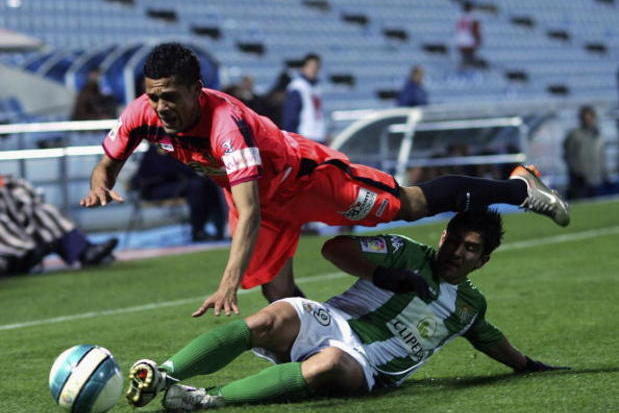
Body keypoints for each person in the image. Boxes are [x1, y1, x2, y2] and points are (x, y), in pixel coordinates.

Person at [80, 43, 569, 317]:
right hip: (259, 202)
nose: (161, 107)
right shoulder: (143, 113)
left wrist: (226, 285)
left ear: (196, 89)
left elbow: (248, 212)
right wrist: (102, 180)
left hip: (309, 181)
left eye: (171, 97)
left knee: (408, 205)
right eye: (154, 96)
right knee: (278, 293)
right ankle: (323, 357)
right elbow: (109, 157)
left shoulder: (228, 125)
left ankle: (521, 187)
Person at [124, 208, 570, 410]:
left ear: (483, 260)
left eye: (469, 249)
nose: (456, 251)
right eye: (453, 240)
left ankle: (207, 402)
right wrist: (383, 276)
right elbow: (336, 248)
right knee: (272, 315)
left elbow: (491, 339)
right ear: (442, 237)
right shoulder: (403, 251)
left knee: (329, 364)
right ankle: (163, 373)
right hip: (332, 320)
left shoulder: (470, 305)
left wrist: (528, 365)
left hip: (367, 364)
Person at [0, 175, 118, 276]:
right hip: (8, 252)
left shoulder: (7, 181)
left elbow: (31, 197)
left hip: (29, 240)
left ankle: (86, 252)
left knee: (45, 212)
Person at [131, 144, 226, 242]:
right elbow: (170, 169)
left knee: (208, 184)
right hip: (153, 188)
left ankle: (219, 230)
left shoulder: (176, 146)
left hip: (173, 184)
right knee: (196, 186)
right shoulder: (158, 147)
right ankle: (197, 232)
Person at [563, 105, 608, 199]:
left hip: (596, 178)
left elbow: (601, 156)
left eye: (590, 118)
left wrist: (604, 173)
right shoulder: (575, 135)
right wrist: (576, 172)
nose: (588, 121)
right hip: (579, 180)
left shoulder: (598, 135)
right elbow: (568, 156)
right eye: (585, 118)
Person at [282, 53, 327, 145]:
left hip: (319, 136)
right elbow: (291, 115)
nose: (313, 70)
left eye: (316, 67)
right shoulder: (298, 87)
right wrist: (292, 138)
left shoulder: (318, 86)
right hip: (304, 136)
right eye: (311, 66)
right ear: (303, 68)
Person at [455, 1, 483, 70]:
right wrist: (478, 38)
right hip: (470, 39)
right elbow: (475, 29)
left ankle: (464, 67)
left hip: (460, 39)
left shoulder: (459, 16)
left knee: (464, 57)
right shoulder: (473, 17)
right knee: (470, 58)